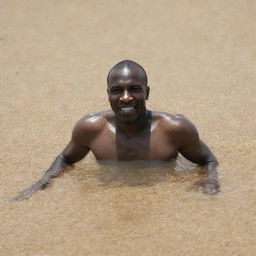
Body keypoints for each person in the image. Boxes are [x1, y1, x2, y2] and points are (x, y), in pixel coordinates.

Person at [12, 60, 220, 201]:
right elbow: (65, 158)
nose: (126, 97)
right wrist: (44, 181)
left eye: (134, 89)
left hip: (158, 203)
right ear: (108, 94)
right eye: (117, 90)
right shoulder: (90, 128)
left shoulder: (175, 128)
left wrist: (210, 178)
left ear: (146, 92)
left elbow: (208, 159)